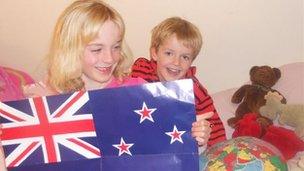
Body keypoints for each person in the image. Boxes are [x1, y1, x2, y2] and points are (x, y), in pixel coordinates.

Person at [0, 1, 209, 170]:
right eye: (97, 49)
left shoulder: (137, 90)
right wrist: (44, 106)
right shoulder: (50, 94)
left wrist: (198, 139)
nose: (109, 58)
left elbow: (171, 154)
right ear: (72, 49)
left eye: (116, 47)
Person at [131, 17, 226, 148]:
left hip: (173, 147)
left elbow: (213, 124)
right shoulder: (141, 70)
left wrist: (207, 136)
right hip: (139, 140)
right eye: (169, 53)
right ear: (154, 53)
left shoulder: (195, 90)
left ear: (191, 61)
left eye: (185, 57)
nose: (176, 62)